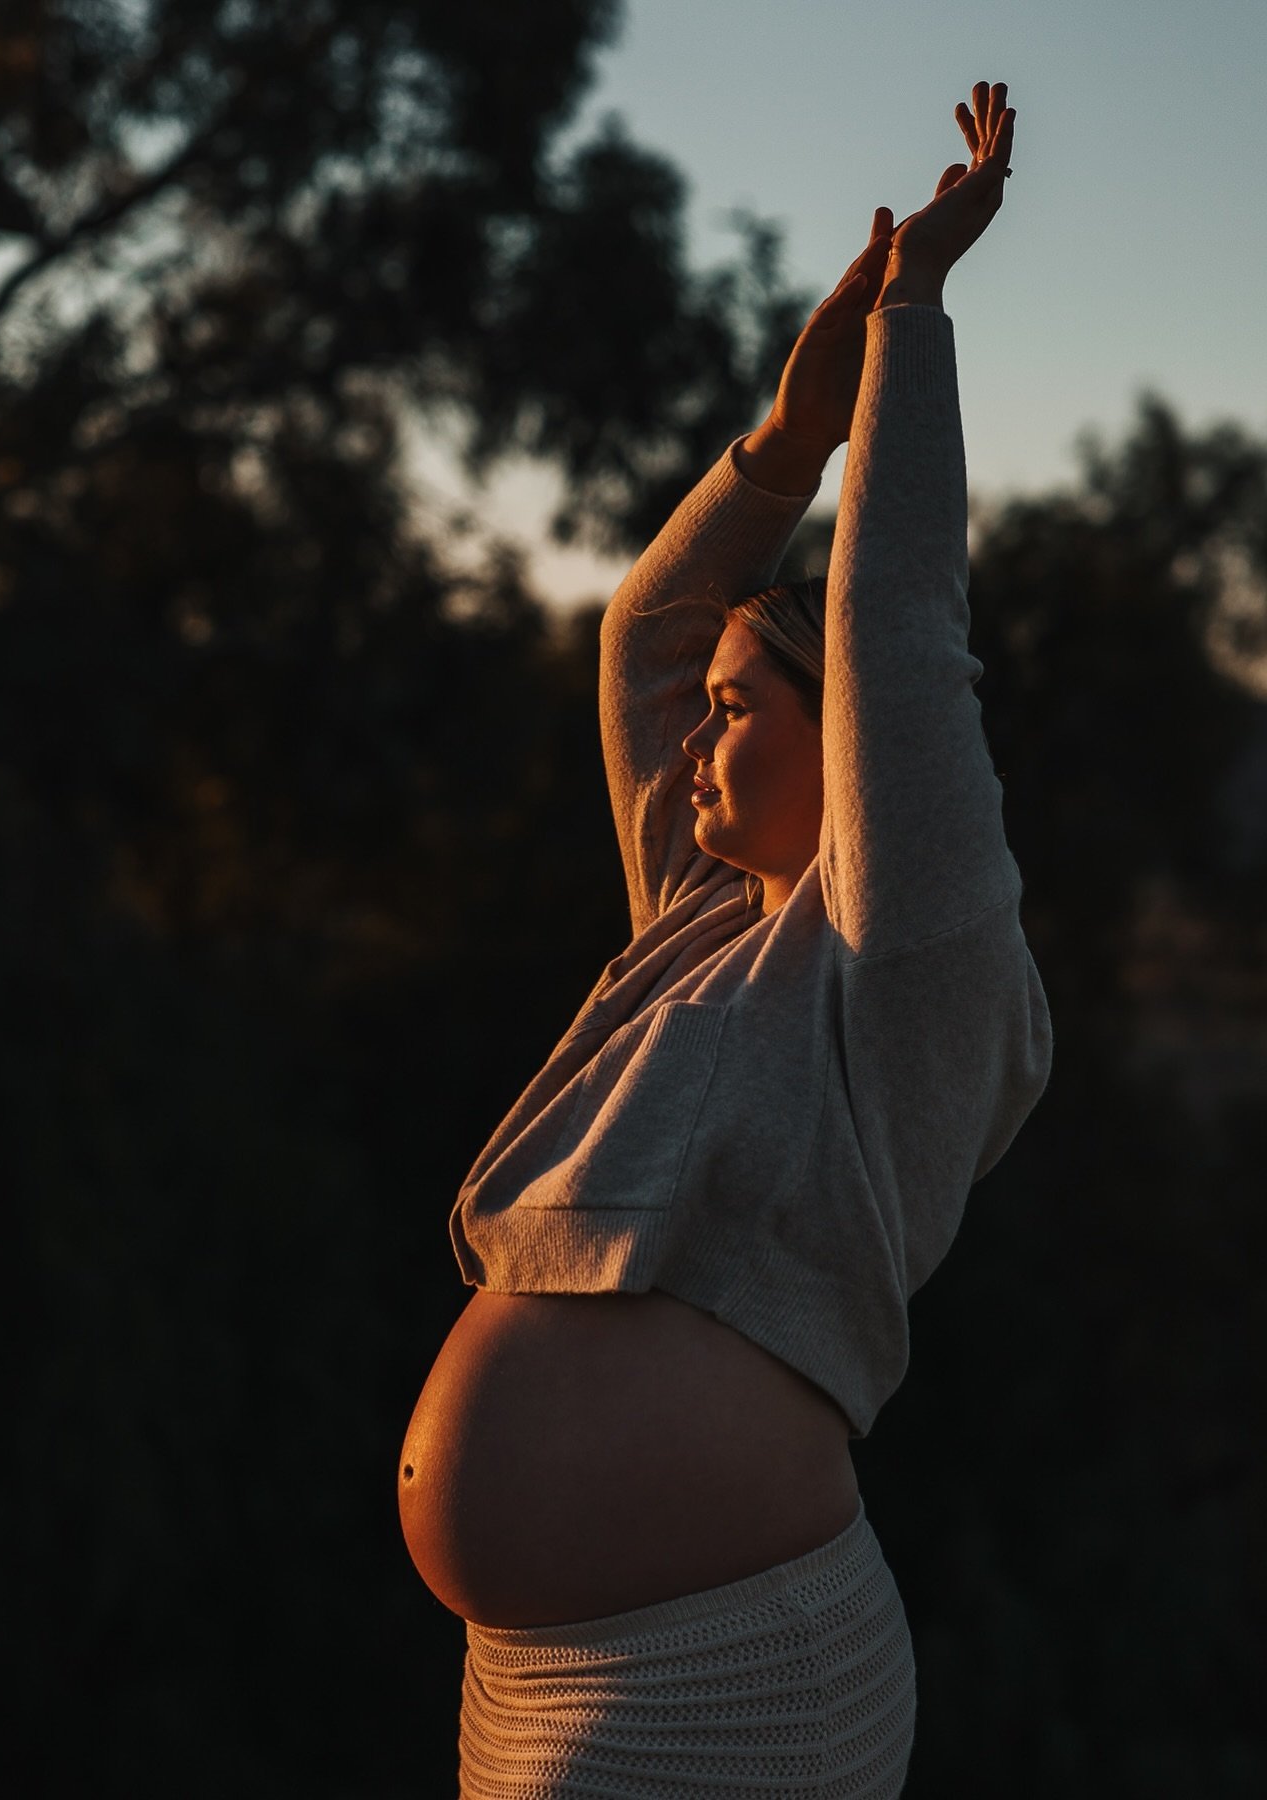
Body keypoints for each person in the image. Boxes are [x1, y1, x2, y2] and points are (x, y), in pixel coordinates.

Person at [399, 82, 1051, 1799]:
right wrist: (788, 435)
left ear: (837, 748)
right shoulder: (692, 936)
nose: (686, 745)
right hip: (523, 1684)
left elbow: (893, 629)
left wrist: (912, 310)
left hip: (723, 1685)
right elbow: (643, 632)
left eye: (735, 716)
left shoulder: (903, 974)